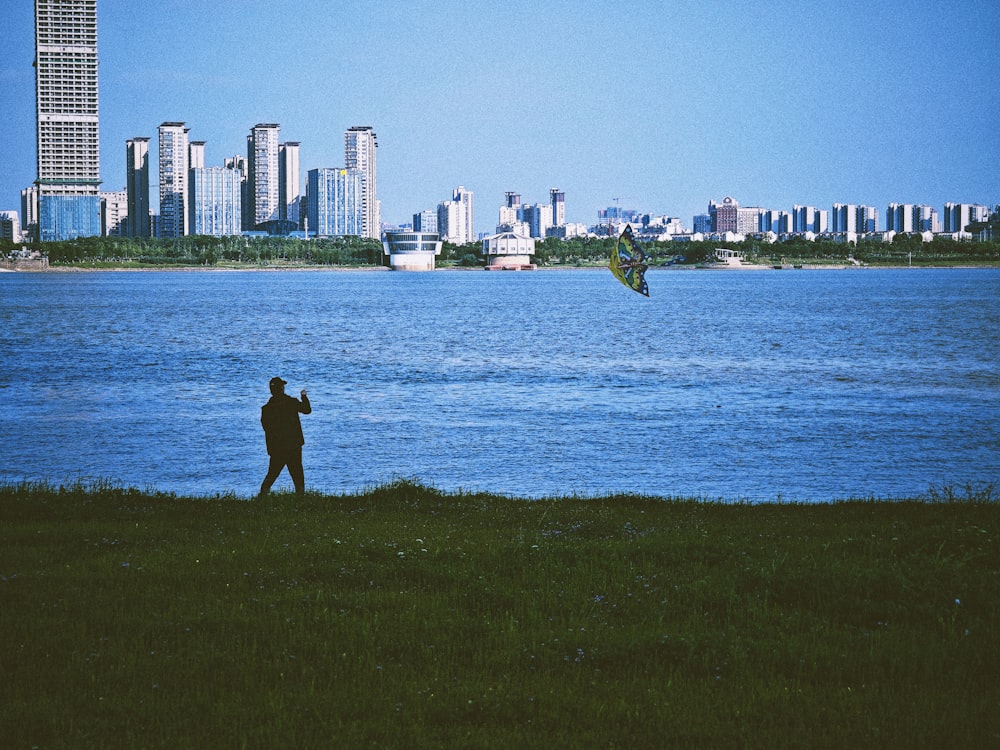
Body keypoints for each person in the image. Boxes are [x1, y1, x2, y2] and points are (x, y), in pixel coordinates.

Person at [259, 376, 312, 497]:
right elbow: (307, 410)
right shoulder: (291, 402)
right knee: (297, 475)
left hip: (277, 449)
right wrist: (304, 396)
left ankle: (261, 498)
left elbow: (266, 427)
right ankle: (300, 500)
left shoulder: (266, 409)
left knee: (271, 475)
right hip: (293, 447)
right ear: (282, 388)